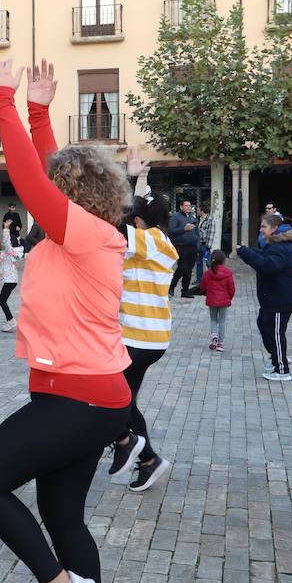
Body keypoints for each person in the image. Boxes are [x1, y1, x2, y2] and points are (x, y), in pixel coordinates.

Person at [0, 58, 133, 583]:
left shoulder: (83, 233)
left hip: (81, 397)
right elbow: (56, 174)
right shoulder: (82, 231)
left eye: (56, 191)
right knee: (63, 519)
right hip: (82, 395)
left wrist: (2, 100)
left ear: (70, 198)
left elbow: (37, 182)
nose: (42, 198)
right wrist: (38, 110)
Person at [108, 148, 177, 494]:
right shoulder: (158, 241)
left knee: (112, 399)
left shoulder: (147, 241)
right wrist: (139, 180)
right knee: (125, 399)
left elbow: (117, 221)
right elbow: (127, 218)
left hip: (139, 337)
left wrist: (131, 177)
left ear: (139, 222)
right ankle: (145, 458)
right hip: (150, 336)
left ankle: (139, 452)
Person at [237, 214, 292, 382]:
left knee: (275, 333)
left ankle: (282, 369)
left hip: (281, 299)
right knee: (263, 324)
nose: (261, 229)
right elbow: (264, 256)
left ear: (274, 228)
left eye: (264, 226)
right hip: (274, 298)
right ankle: (275, 358)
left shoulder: (280, 246)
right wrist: (249, 250)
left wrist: (246, 254)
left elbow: (268, 266)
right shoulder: (274, 244)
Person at [200, 250, 235, 351]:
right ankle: (220, 343)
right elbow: (232, 289)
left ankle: (214, 336)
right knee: (222, 321)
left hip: (212, 300)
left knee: (213, 319)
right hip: (224, 301)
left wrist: (206, 291)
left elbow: (202, 286)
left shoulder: (208, 273)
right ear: (224, 260)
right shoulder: (227, 273)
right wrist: (229, 298)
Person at [167, 199, 199, 298]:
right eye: (186, 205)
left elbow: (196, 232)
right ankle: (172, 285)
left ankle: (185, 291)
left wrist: (197, 244)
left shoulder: (192, 218)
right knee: (182, 268)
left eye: (189, 206)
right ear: (181, 207)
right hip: (181, 246)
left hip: (192, 246)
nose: (188, 207)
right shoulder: (175, 217)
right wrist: (184, 229)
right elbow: (171, 231)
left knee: (189, 270)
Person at [0, 224, 25, 331]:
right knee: (2, 300)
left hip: (10, 280)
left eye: (3, 241)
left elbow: (6, 242)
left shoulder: (9, 251)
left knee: (2, 300)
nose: (2, 242)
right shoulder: (6, 252)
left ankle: (11, 321)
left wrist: (6, 228)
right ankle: (10, 320)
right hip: (10, 280)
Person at [194, 204, 214, 283]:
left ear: (202, 211)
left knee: (208, 262)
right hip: (198, 243)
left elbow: (211, 233)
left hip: (205, 244)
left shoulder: (210, 220)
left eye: (198, 210)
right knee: (198, 262)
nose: (197, 212)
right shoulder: (198, 220)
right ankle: (199, 279)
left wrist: (208, 246)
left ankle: (212, 278)